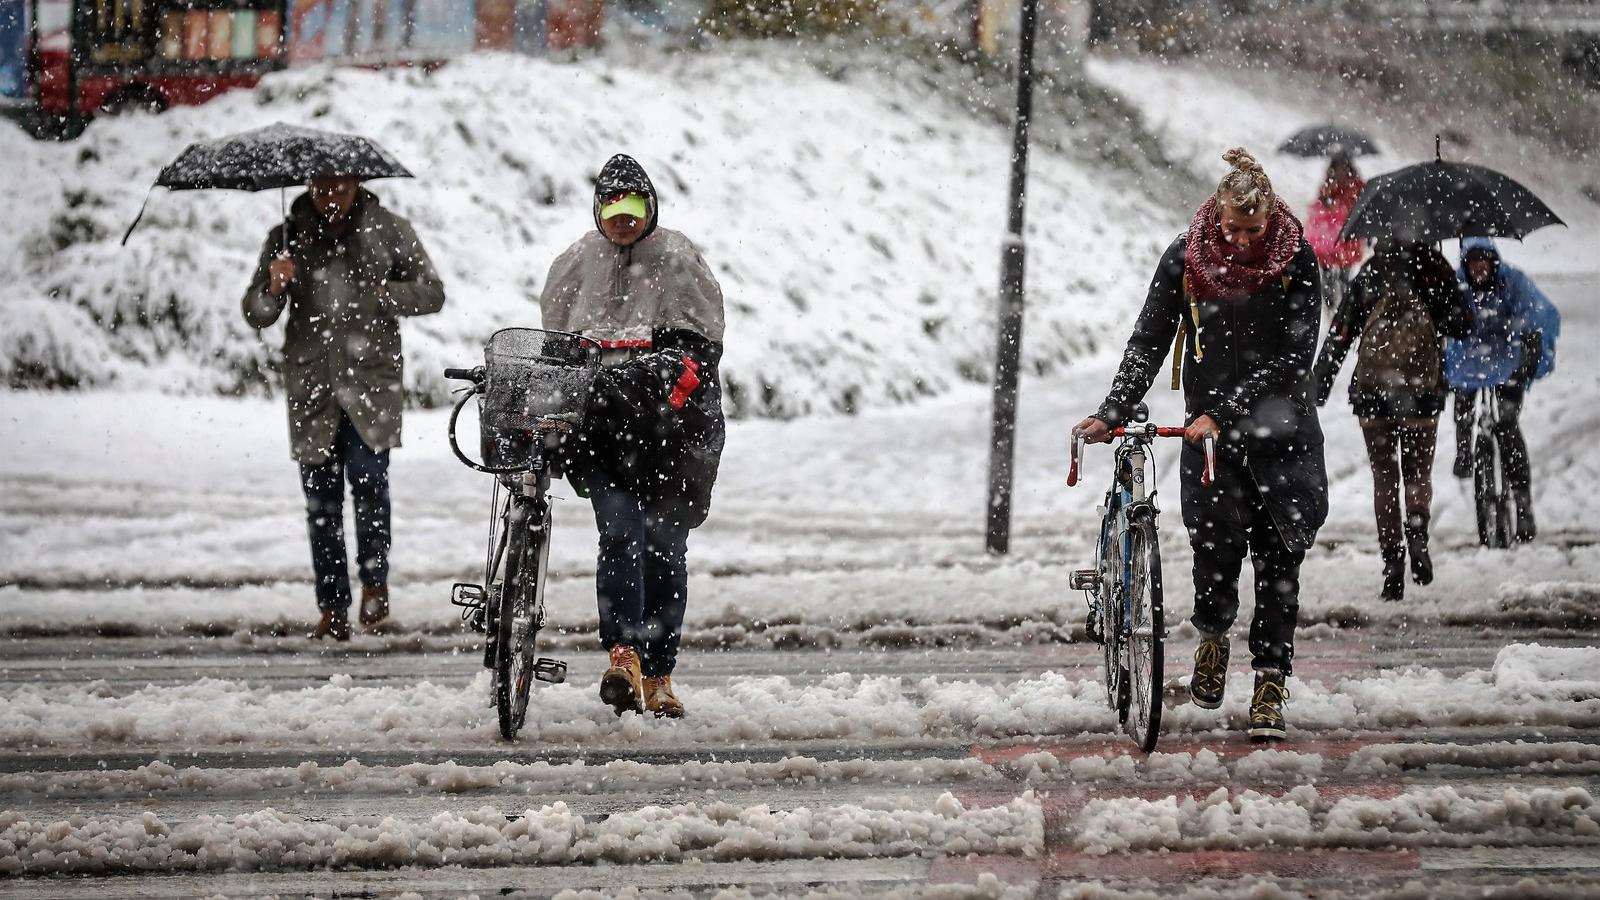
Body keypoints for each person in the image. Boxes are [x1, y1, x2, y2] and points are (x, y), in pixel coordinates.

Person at [1074, 148, 1327, 743]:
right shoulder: (1188, 256)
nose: (1240, 242)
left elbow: (1295, 359)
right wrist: (1113, 408)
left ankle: (1270, 679)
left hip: (1282, 434)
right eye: (1232, 229)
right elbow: (1151, 336)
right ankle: (1213, 641)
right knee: (1214, 551)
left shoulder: (1296, 261)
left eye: (1252, 230)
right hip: (1207, 437)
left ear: (1270, 220)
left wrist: (1224, 409)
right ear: (1215, 215)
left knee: (1278, 562)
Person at [539, 153, 726, 719]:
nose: (622, 218)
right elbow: (557, 348)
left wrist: (661, 393)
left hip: (670, 438)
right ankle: (623, 654)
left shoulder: (678, 258)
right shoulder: (575, 263)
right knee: (620, 533)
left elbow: (700, 355)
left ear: (651, 207)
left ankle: (661, 673)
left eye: (633, 206)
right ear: (597, 210)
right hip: (602, 435)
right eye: (611, 206)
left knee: (665, 547)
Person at [240, 177, 445, 641]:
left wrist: (387, 291)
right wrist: (273, 287)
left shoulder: (389, 230)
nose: (330, 199)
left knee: (371, 483)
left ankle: (375, 582)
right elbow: (255, 312)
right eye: (320, 189)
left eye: (340, 189)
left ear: (357, 185)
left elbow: (432, 292)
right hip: (313, 389)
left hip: (371, 387)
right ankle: (331, 607)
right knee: (321, 504)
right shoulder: (286, 236)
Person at [1312, 241, 1471, 601]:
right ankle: (1417, 535)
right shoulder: (1435, 269)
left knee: (1385, 479)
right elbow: (1464, 325)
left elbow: (1341, 332)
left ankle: (1392, 564)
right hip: (1421, 393)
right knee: (1417, 475)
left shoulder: (1372, 271)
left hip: (1373, 395)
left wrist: (1317, 388)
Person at [1446, 237, 1560, 543]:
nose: (1478, 268)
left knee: (1507, 426)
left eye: (1484, 261)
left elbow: (1537, 314)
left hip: (1506, 360)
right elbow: (1442, 322)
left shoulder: (1513, 281)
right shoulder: (1455, 284)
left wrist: (1526, 351)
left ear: (1494, 262)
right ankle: (1464, 453)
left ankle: (1523, 505)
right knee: (1463, 412)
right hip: (1469, 361)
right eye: (1472, 262)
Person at [1304, 156, 1366, 314]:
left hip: (1347, 236)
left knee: (1345, 275)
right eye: (1337, 168)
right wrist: (1330, 200)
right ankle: (1330, 304)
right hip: (1329, 238)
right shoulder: (1329, 183)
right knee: (1327, 275)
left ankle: (1344, 305)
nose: (1340, 171)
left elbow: (1363, 203)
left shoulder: (1357, 184)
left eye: (1343, 168)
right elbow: (1321, 201)